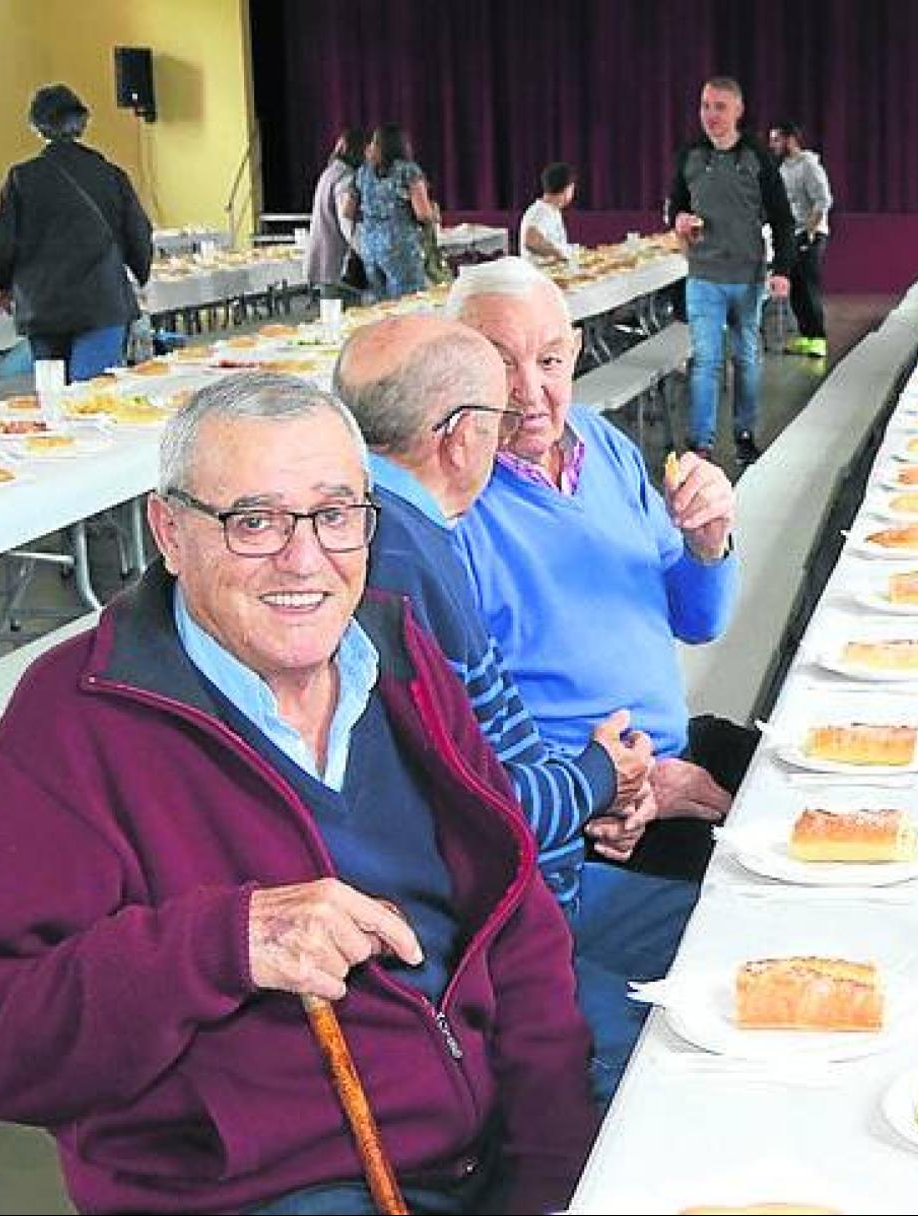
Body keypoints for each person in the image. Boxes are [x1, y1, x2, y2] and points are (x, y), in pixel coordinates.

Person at [0, 372, 595, 1214]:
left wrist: (555, 1169)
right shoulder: (78, 718)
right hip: (273, 1188)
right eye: (253, 521)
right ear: (169, 532)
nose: (305, 561)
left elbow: (515, 918)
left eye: (335, 515)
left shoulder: (394, 649)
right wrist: (219, 945)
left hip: (483, 1143)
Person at [335, 314, 694, 1104]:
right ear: (463, 437)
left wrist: (597, 789)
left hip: (539, 868)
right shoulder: (404, 564)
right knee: (676, 1047)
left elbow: (490, 748)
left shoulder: (393, 530)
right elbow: (469, 803)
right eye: (499, 413)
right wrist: (598, 778)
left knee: (726, 922)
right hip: (492, 924)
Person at [447, 258, 745, 883]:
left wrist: (708, 544)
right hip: (585, 811)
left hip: (668, 754)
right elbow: (469, 735)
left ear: (577, 352)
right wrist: (617, 785)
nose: (530, 392)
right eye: (501, 364)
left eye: (550, 361)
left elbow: (697, 621)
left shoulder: (600, 444)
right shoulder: (453, 505)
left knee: (836, 780)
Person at [667, 75, 797, 465]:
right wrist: (679, 219)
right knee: (705, 361)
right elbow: (675, 205)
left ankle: (744, 435)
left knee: (746, 359)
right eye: (705, 106)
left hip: (747, 278)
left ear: (738, 111)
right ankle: (701, 444)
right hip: (703, 276)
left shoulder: (757, 157)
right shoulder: (690, 155)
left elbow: (783, 219)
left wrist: (782, 269)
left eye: (720, 107)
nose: (711, 115)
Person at [0, 83, 152, 382]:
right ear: (82, 123)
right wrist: (140, 272)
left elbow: (3, 241)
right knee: (92, 394)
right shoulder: (111, 175)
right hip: (102, 301)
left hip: (43, 306)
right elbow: (138, 232)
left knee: (53, 392)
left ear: (38, 127)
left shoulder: (22, 177)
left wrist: (3, 285)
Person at [344, 122, 439, 301]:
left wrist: (374, 216)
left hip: (370, 247)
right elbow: (423, 214)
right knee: (408, 302)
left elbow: (348, 212)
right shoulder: (408, 171)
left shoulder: (362, 172)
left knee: (380, 303)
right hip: (401, 247)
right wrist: (434, 214)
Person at [768, 122, 833, 360]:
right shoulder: (783, 168)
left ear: (791, 139)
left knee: (808, 286)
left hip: (811, 235)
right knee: (794, 287)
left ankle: (818, 339)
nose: (772, 145)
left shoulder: (809, 166)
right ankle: (806, 337)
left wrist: (809, 232)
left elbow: (823, 200)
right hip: (791, 235)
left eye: (777, 139)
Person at [305, 126, 364, 298]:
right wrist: (368, 253)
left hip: (324, 261)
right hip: (337, 265)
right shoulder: (346, 178)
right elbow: (347, 223)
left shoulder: (330, 172)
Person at [520, 161, 578, 264]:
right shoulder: (541, 212)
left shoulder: (550, 210)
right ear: (567, 189)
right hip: (540, 272)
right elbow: (531, 241)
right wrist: (561, 255)